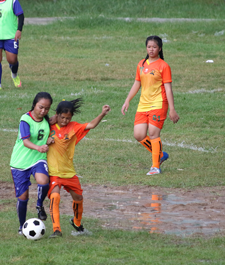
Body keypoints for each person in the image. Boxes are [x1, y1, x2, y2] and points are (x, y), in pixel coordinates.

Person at [47, 99, 110, 238]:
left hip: (69, 172)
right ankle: (56, 229)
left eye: (67, 118)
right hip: (53, 172)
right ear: (56, 114)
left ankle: (76, 222)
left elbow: (92, 125)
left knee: (79, 198)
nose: (64, 120)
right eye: (62, 117)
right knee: (55, 196)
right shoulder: (48, 125)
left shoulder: (73, 127)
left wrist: (102, 113)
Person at [121, 35, 179, 176]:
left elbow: (168, 89)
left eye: (154, 47)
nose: (151, 49)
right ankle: (159, 155)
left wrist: (172, 109)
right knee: (139, 135)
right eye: (149, 47)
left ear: (159, 49)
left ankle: (155, 166)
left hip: (158, 104)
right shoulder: (141, 64)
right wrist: (128, 99)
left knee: (153, 134)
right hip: (143, 105)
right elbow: (137, 83)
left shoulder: (163, 66)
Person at [10, 92, 53, 235]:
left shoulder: (47, 120)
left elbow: (59, 118)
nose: (43, 111)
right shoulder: (25, 119)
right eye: (41, 107)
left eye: (46, 109)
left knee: (43, 181)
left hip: (37, 159)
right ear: (34, 104)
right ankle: (22, 227)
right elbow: (26, 141)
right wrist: (40, 147)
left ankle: (39, 206)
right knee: (23, 197)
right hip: (20, 162)